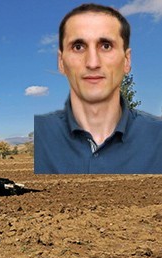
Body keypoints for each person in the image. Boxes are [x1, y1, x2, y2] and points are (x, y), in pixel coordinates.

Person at [34, 3, 162, 174]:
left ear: (127, 61)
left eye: (106, 46)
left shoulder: (156, 138)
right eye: (78, 47)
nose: (93, 63)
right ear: (61, 62)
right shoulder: (43, 137)